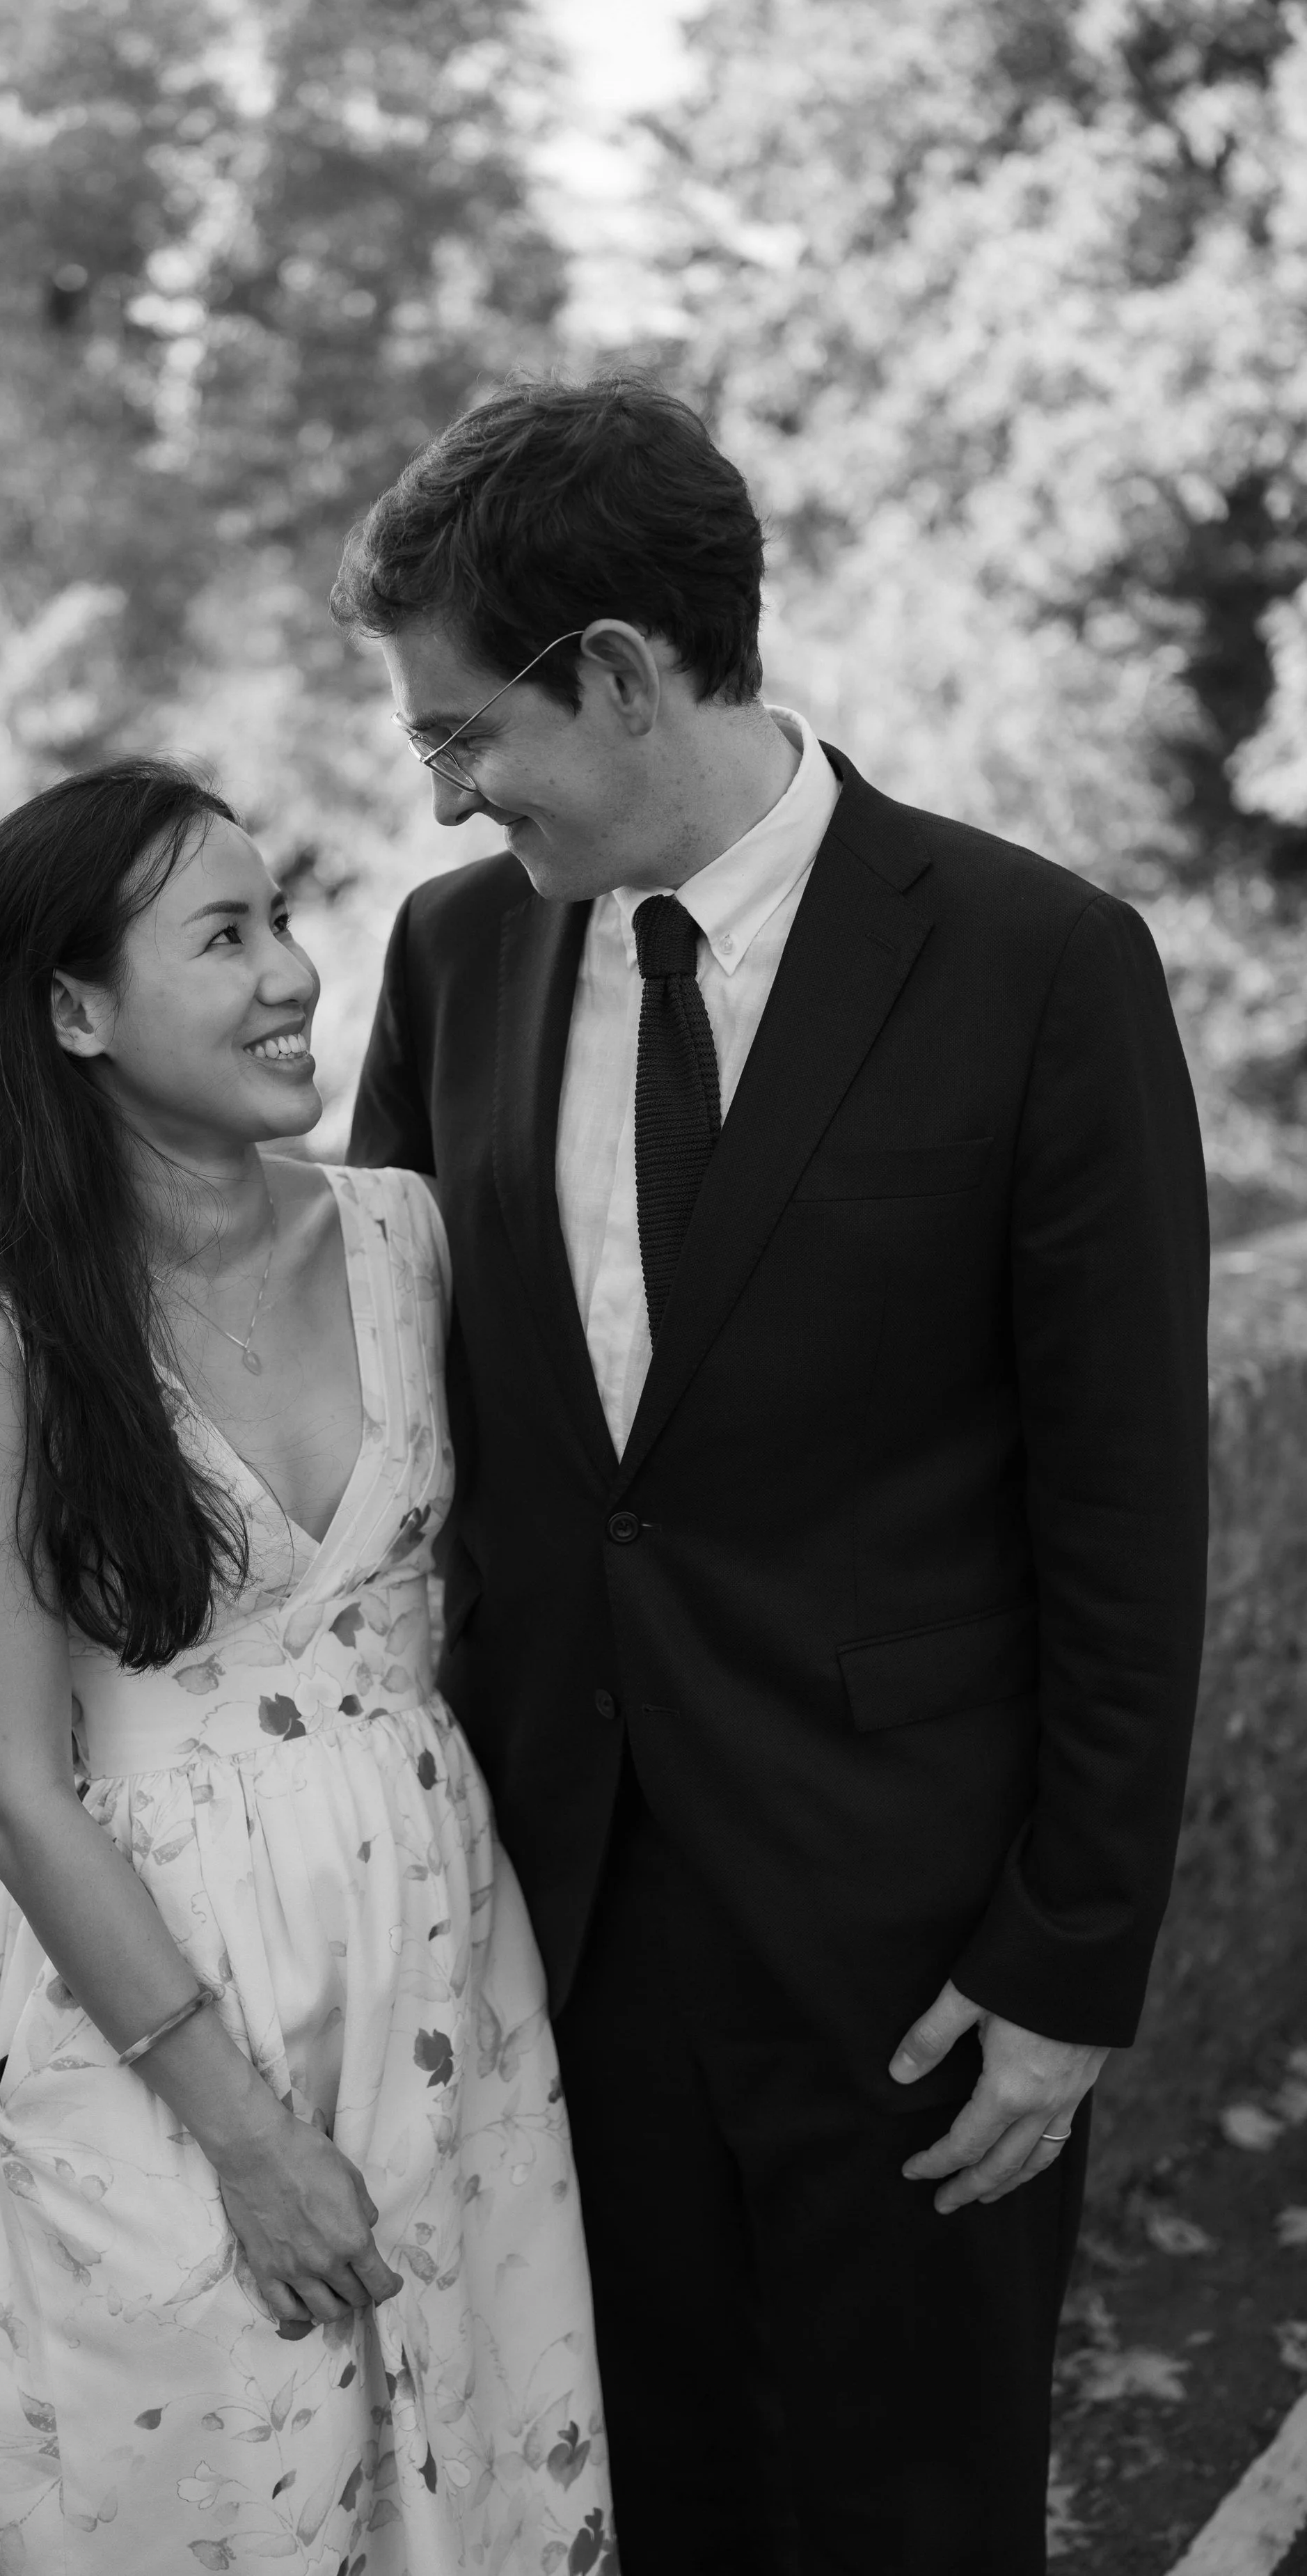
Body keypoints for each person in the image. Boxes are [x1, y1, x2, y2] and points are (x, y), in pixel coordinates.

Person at [335, 377, 1210, 2574]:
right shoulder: (451, 961)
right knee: (659, 2509)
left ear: (618, 673)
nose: (443, 800)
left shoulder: (1040, 967)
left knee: (918, 2520)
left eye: (461, 736)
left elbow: (1122, 1505)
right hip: (566, 1940)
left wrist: (1068, 1962)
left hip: (913, 1961)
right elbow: (380, 1414)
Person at [0, 760, 614, 2576]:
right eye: (224, 933)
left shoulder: (403, 1237)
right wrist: (246, 2135)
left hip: (436, 1960)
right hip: (160, 2022)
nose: (293, 968)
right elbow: (12, 1780)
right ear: (75, 1009)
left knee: (468, 2485)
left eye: (283, 914)